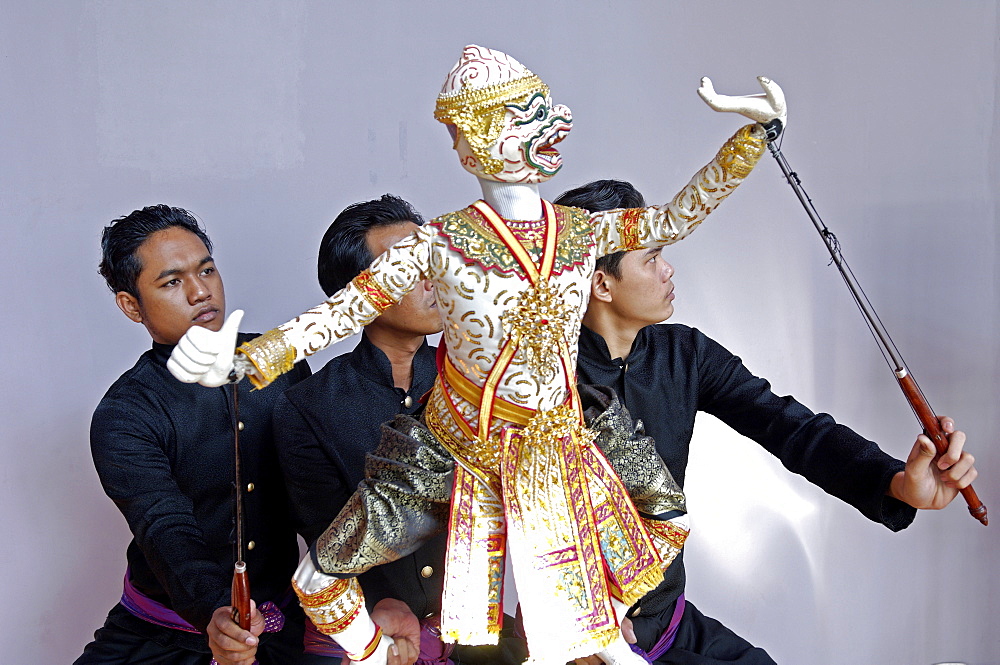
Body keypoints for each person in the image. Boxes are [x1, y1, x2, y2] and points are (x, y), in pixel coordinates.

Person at [166, 45, 786, 664]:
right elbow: (341, 314)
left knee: (663, 525)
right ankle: (383, 654)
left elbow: (677, 217)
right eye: (525, 116)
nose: (552, 124)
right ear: (470, 147)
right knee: (321, 578)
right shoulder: (439, 243)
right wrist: (247, 360)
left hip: (555, 450)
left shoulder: (581, 230)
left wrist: (751, 138)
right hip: (455, 447)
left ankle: (595, 633)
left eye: (544, 110)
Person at [558, 179, 979, 664]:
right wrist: (575, 618)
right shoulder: (539, 380)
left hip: (668, 619)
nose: (668, 268)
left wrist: (896, 483)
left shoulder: (684, 353)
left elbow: (788, 425)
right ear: (601, 283)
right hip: (593, 638)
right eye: (651, 258)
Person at [77, 204, 321, 665]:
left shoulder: (281, 363)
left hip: (284, 629)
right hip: (163, 636)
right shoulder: (125, 413)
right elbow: (164, 526)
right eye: (171, 282)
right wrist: (217, 611)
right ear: (132, 305)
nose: (200, 292)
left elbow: (316, 492)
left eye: (206, 270)